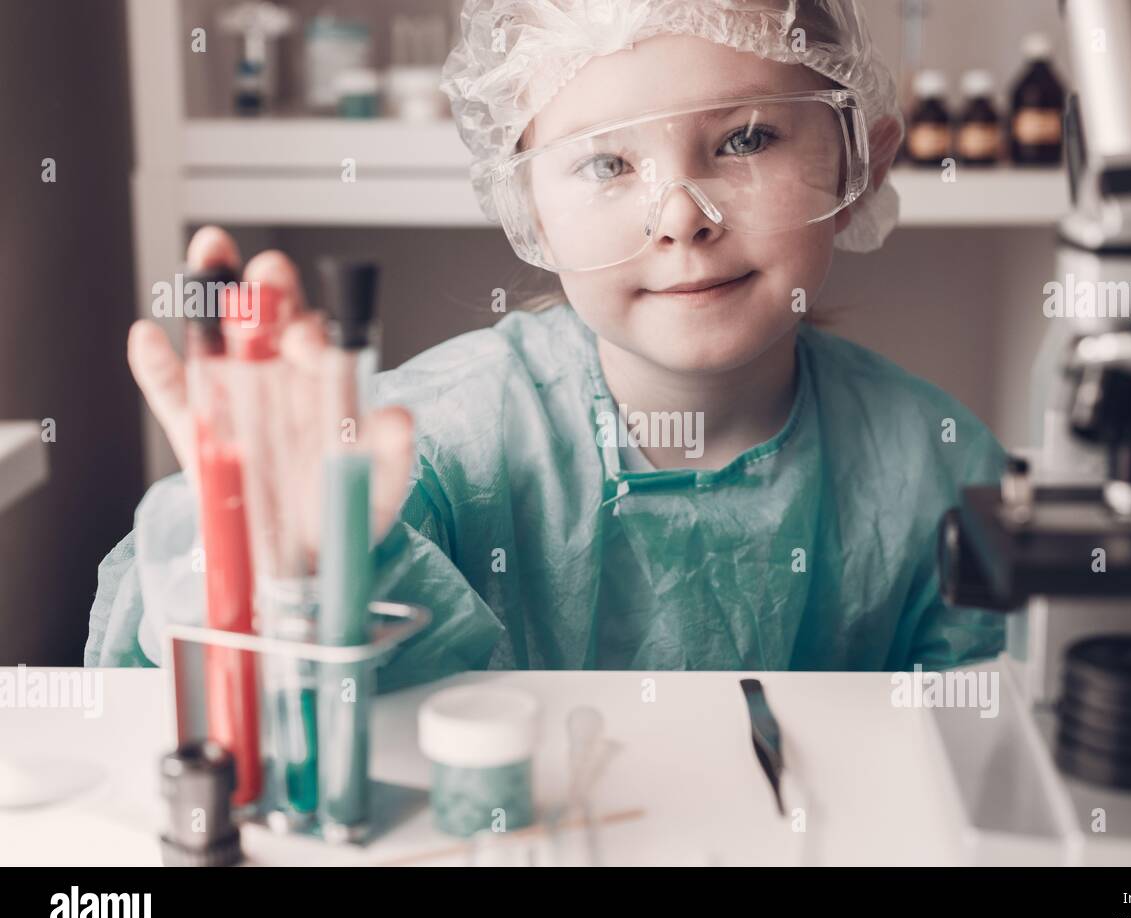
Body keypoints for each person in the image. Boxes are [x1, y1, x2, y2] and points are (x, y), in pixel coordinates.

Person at [87, 0, 1007, 690]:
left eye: (746, 137)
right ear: (526, 207)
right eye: (609, 163)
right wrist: (271, 567)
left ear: (860, 162)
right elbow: (196, 680)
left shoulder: (936, 470)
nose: (682, 216)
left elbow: (988, 751)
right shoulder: (431, 451)